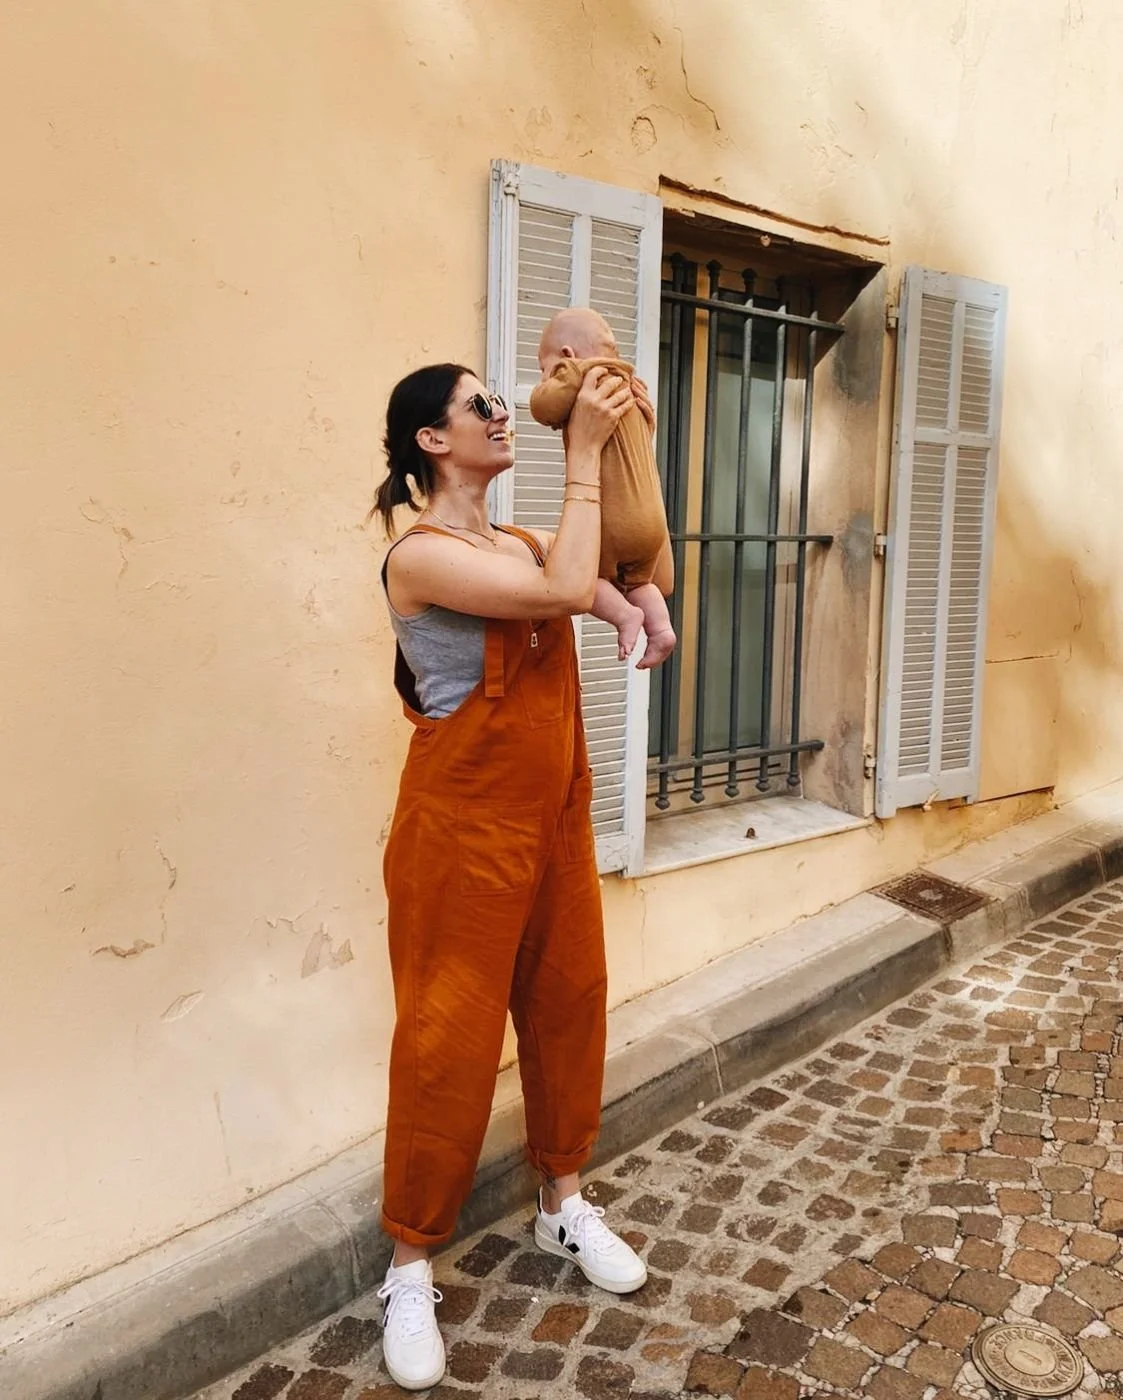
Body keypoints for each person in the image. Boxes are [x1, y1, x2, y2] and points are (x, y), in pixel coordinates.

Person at [371, 361, 648, 1391]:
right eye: (478, 405)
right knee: (445, 1040)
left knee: (570, 1004)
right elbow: (560, 591)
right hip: (461, 834)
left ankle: (561, 1205)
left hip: (553, 820)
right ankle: (409, 1263)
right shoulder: (420, 557)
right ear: (431, 440)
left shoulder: (524, 540)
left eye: (500, 399)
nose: (500, 413)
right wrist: (581, 453)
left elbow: (604, 579)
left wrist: (639, 603)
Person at [530, 308, 676, 669]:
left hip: (613, 522)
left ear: (567, 355)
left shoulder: (582, 373)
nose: (545, 378)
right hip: (651, 524)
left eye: (543, 369)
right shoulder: (631, 389)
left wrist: (549, 387)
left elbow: (543, 407)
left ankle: (626, 615)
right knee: (641, 584)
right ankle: (661, 629)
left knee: (584, 573)